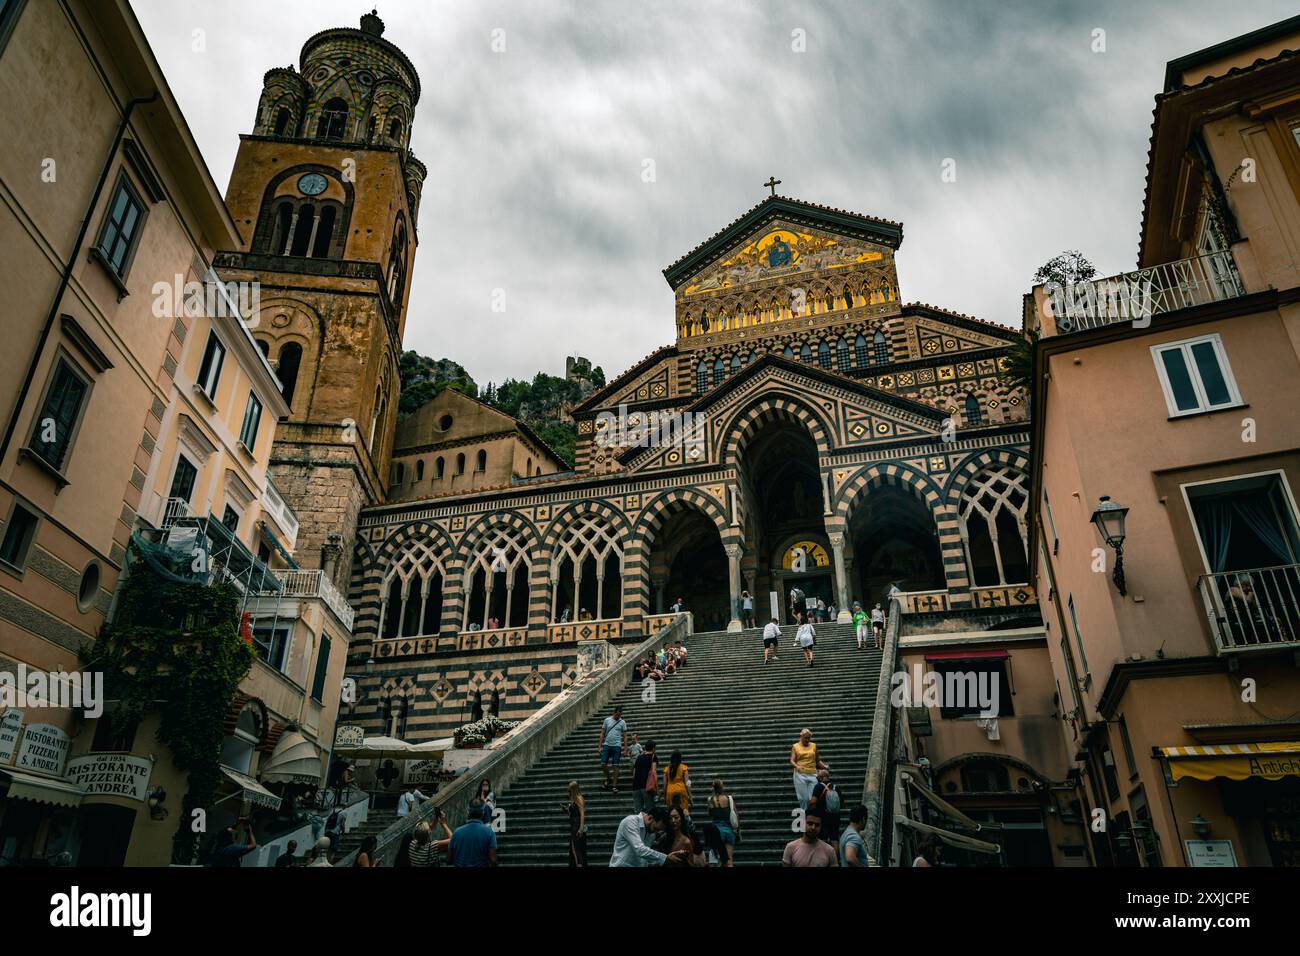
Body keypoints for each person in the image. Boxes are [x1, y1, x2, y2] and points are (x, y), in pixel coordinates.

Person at [610, 807, 685, 866]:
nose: (656, 832)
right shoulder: (630, 822)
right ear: (650, 818)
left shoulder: (651, 831)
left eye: (658, 830)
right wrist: (665, 858)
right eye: (655, 829)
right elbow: (640, 849)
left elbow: (645, 856)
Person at [448, 799, 498, 867]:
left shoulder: (456, 832)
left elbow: (448, 859)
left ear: (468, 811)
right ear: (483, 813)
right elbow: (493, 860)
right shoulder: (489, 833)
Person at [790, 728, 829, 807]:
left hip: (813, 774)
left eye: (809, 738)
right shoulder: (795, 746)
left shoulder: (813, 746)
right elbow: (792, 760)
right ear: (801, 737)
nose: (807, 740)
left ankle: (811, 815)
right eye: (806, 738)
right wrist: (797, 766)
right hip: (800, 774)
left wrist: (824, 766)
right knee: (803, 798)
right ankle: (805, 813)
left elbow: (817, 761)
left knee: (813, 798)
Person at [707, 778, 738, 866]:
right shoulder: (729, 799)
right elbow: (736, 814)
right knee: (729, 860)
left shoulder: (710, 800)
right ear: (722, 787)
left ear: (713, 788)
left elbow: (710, 813)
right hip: (729, 831)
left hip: (716, 831)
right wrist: (738, 831)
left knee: (713, 860)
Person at [597, 705, 628, 792]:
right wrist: (599, 746)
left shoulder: (622, 722)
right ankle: (608, 778)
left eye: (620, 715)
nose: (618, 717)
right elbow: (602, 734)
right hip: (607, 745)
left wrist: (626, 749)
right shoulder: (607, 720)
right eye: (617, 715)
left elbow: (625, 737)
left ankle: (614, 785)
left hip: (617, 745)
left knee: (616, 765)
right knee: (603, 764)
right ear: (614, 712)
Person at [808, 769, 841, 843]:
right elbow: (841, 803)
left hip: (823, 816)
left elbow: (813, 801)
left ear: (820, 778)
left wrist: (809, 804)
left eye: (817, 777)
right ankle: (835, 854)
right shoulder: (835, 787)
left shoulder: (818, 786)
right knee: (834, 838)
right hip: (836, 816)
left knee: (823, 838)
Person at [631, 739, 659, 813]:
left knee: (638, 813)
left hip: (636, 788)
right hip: (647, 788)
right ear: (653, 748)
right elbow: (653, 772)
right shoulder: (653, 757)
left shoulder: (639, 757)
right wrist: (657, 789)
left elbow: (634, 774)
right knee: (650, 812)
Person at [664, 749, 691, 822]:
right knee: (683, 813)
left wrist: (664, 796)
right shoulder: (683, 767)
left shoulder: (667, 769)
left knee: (672, 814)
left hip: (670, 792)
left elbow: (665, 785)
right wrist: (690, 797)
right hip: (681, 791)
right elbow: (687, 783)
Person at [565, 780, 588, 867]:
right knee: (574, 848)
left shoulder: (579, 798)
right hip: (573, 824)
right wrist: (566, 811)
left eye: (569, 787)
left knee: (576, 848)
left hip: (577, 825)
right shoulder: (573, 798)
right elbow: (574, 813)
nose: (568, 789)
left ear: (573, 789)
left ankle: (579, 864)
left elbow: (582, 813)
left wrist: (581, 828)